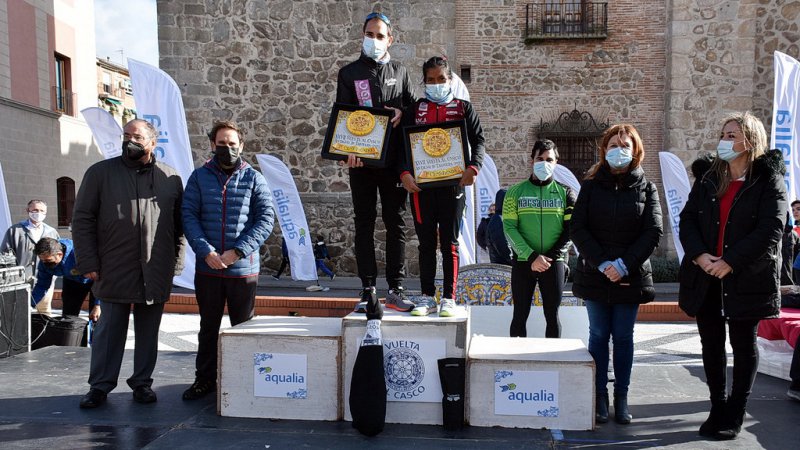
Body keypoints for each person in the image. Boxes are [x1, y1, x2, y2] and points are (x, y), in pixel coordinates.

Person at [678, 112, 785, 440]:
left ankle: (736, 410)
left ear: (750, 142)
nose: (723, 141)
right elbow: (688, 220)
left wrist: (730, 262)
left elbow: (772, 228)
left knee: (743, 344)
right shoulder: (709, 178)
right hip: (706, 275)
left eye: (731, 135)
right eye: (723, 134)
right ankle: (718, 406)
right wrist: (700, 255)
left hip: (747, 277)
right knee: (710, 343)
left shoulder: (768, 181)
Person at [72, 119, 185, 408]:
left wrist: (175, 264)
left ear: (152, 143)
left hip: (155, 268)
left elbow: (179, 226)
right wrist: (88, 261)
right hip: (112, 267)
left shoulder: (170, 177)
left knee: (148, 332)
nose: (129, 141)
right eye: (126, 135)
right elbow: (82, 219)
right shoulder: (100, 173)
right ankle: (99, 386)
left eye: (136, 136)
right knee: (109, 331)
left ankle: (142, 383)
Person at [570, 124, 662, 425]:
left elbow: (653, 231)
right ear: (604, 150)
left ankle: (621, 396)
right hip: (595, 274)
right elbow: (577, 227)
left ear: (636, 151)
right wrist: (602, 263)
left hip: (629, 276)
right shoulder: (590, 186)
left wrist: (623, 265)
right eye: (613, 145)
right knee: (598, 335)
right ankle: (599, 396)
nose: (618, 150)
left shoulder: (647, 188)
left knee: (623, 337)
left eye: (625, 145)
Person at [182, 120, 275, 401]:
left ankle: (244, 381)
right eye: (222, 144)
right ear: (212, 145)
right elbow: (189, 216)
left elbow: (265, 219)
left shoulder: (254, 179)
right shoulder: (198, 177)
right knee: (208, 328)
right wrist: (206, 252)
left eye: (232, 144)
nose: (227, 148)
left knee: (243, 330)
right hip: (208, 268)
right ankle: (204, 380)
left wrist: (238, 251)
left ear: (241, 146)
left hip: (242, 270)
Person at [337, 11, 418, 313]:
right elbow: (342, 115)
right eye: (369, 35)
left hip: (394, 163)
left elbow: (414, 109)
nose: (374, 40)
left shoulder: (401, 71)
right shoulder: (349, 73)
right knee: (364, 224)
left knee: (395, 225)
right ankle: (367, 290)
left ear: (390, 40)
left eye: (380, 35)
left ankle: (396, 289)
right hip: (362, 164)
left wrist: (402, 113)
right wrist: (346, 150)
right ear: (363, 36)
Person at [400, 56, 485, 317]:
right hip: (421, 189)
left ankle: (449, 297)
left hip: (453, 186)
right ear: (424, 81)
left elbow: (479, 141)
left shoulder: (463, 108)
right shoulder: (414, 110)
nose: (436, 84)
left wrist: (474, 167)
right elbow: (401, 146)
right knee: (426, 244)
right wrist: (404, 173)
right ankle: (427, 297)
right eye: (430, 80)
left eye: (441, 79)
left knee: (449, 243)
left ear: (450, 80)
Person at [503, 139, 576, 338]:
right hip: (523, 261)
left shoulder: (566, 193)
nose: (544, 163)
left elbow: (571, 229)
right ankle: (516, 356)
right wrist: (532, 256)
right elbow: (509, 228)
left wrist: (549, 257)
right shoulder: (515, 192)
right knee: (519, 315)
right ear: (532, 161)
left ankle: (551, 356)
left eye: (549, 159)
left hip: (554, 262)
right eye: (540, 159)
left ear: (556, 162)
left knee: (552, 316)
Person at [0, 199, 59, 315]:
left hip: (45, 280)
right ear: (28, 210)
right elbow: (5, 255)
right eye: (35, 210)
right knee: (20, 313)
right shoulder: (15, 230)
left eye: (42, 211)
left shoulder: (51, 232)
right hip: (20, 282)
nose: (38, 213)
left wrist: (54, 274)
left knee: (44, 313)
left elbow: (57, 255)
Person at [32, 237, 99, 320]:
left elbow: (103, 277)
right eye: (42, 260)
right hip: (72, 281)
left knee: (96, 316)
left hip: (96, 281)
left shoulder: (80, 253)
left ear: (60, 254)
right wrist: (30, 304)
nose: (45, 263)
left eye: (48, 260)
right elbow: (42, 285)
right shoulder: (44, 262)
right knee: (68, 317)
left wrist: (98, 304)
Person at [486, 190, 513, 265]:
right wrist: (513, 260)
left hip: (504, 263)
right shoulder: (498, 219)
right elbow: (502, 244)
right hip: (503, 265)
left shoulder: (502, 218)